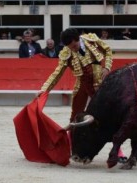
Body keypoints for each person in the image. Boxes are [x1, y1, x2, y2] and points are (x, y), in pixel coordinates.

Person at [37, 28, 127, 163]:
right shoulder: (66, 53)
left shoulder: (91, 40)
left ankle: (118, 151)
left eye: (74, 46)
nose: (72, 49)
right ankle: (68, 147)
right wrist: (44, 89)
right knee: (74, 117)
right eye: (69, 47)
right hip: (82, 85)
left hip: (98, 85)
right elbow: (57, 73)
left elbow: (107, 50)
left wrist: (107, 67)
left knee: (106, 118)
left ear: (78, 39)